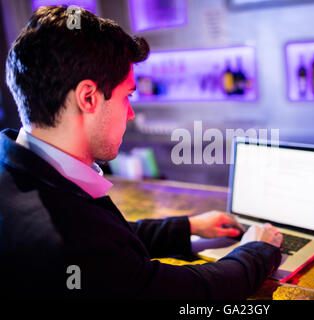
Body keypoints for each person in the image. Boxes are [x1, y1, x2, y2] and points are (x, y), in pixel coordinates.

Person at [0, 6, 282, 299]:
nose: (131, 113)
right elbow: (190, 292)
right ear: (88, 98)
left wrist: (189, 227)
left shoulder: (17, 172)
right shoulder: (73, 241)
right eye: (127, 96)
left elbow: (111, 240)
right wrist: (256, 251)